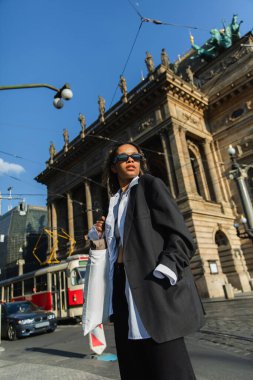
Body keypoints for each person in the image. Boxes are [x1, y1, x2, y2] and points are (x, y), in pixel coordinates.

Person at [88, 142, 204, 380]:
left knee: (169, 368)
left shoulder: (150, 185)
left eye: (135, 156)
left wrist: (165, 270)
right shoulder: (114, 203)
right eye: (123, 157)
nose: (131, 160)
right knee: (134, 368)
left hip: (151, 284)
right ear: (113, 166)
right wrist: (100, 238)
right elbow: (120, 248)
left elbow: (180, 235)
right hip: (121, 288)